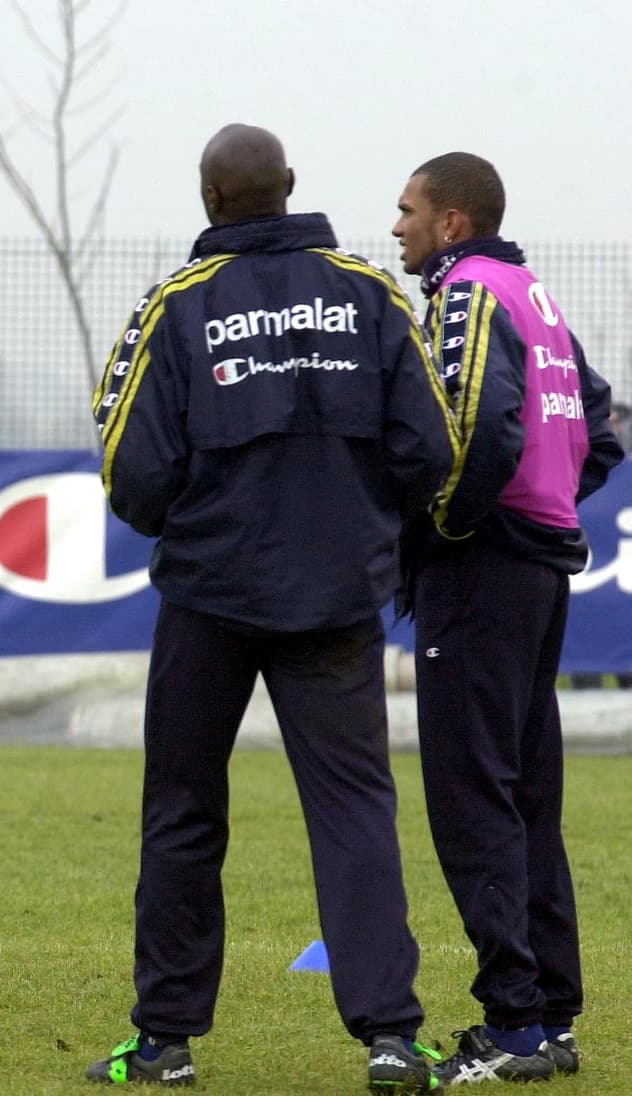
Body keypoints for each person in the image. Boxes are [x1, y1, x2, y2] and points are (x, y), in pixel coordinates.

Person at [85, 124, 455, 1091]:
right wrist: (364, 524)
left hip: (209, 597)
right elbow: (431, 448)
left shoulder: (177, 305)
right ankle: (390, 1037)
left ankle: (164, 1042)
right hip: (337, 601)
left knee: (182, 813)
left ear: (209, 201)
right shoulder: (372, 294)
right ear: (290, 188)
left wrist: (196, 520)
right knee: (355, 814)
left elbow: (130, 465)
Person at [392, 152, 624, 1085]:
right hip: (535, 567)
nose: (397, 225)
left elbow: (478, 429)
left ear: (453, 223)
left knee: (472, 793)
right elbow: (599, 430)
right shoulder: (537, 297)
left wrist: (449, 524)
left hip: (482, 571)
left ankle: (515, 1027)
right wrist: (549, 503)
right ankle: (552, 1017)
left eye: (408, 210)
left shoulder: (469, 294)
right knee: (527, 793)